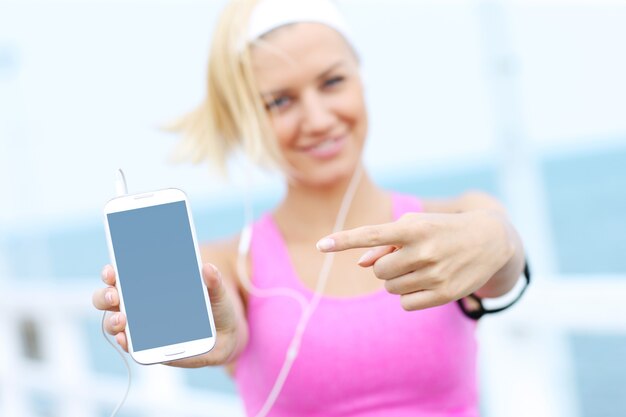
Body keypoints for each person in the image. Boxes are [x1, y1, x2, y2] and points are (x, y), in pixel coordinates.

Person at [93, 0, 527, 415]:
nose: (318, 119)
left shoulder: (454, 225)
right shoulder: (226, 267)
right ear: (246, 119)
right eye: (279, 101)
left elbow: (502, 266)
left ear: (362, 78)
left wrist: (501, 240)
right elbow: (228, 331)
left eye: (332, 82)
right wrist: (218, 339)